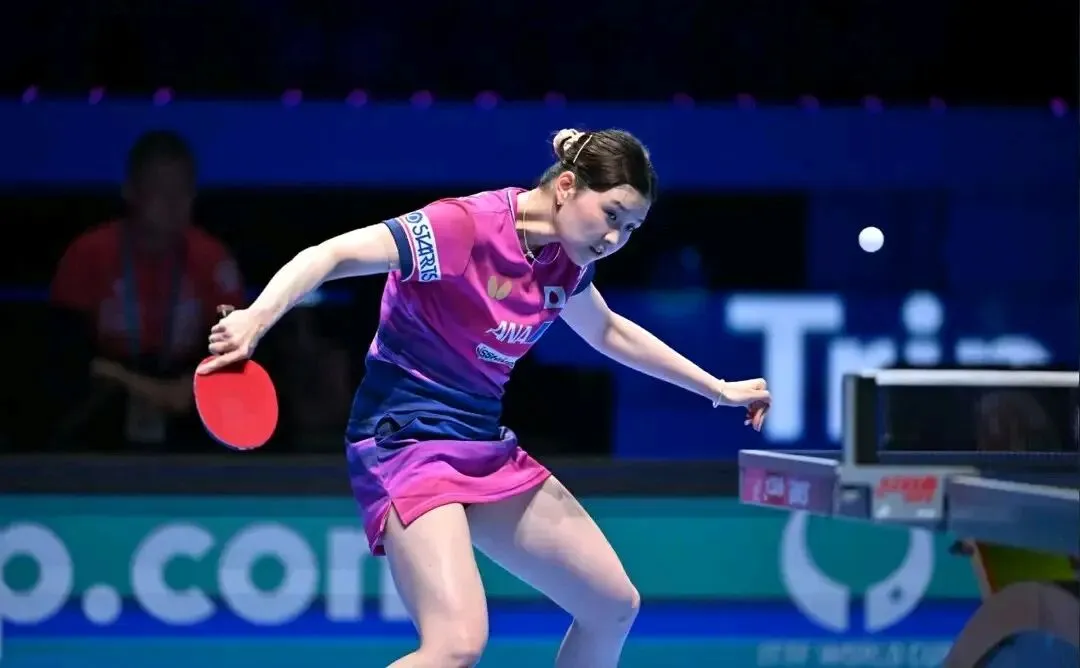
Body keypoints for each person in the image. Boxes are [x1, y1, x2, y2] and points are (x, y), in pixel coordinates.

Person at [198, 128, 771, 667]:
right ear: (566, 187)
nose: (614, 239)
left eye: (631, 228)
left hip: (479, 441)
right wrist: (256, 319)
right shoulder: (463, 227)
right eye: (611, 215)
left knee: (612, 605)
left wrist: (717, 389)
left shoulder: (565, 262)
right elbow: (331, 255)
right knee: (456, 645)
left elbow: (608, 331)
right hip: (404, 438)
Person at [49, 130, 244, 452]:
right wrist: (140, 387)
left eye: (182, 191)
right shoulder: (87, 255)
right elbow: (66, 356)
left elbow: (233, 352)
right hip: (106, 398)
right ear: (130, 192)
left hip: (187, 392)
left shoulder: (213, 260)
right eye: (160, 190)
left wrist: (186, 387)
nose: (173, 203)